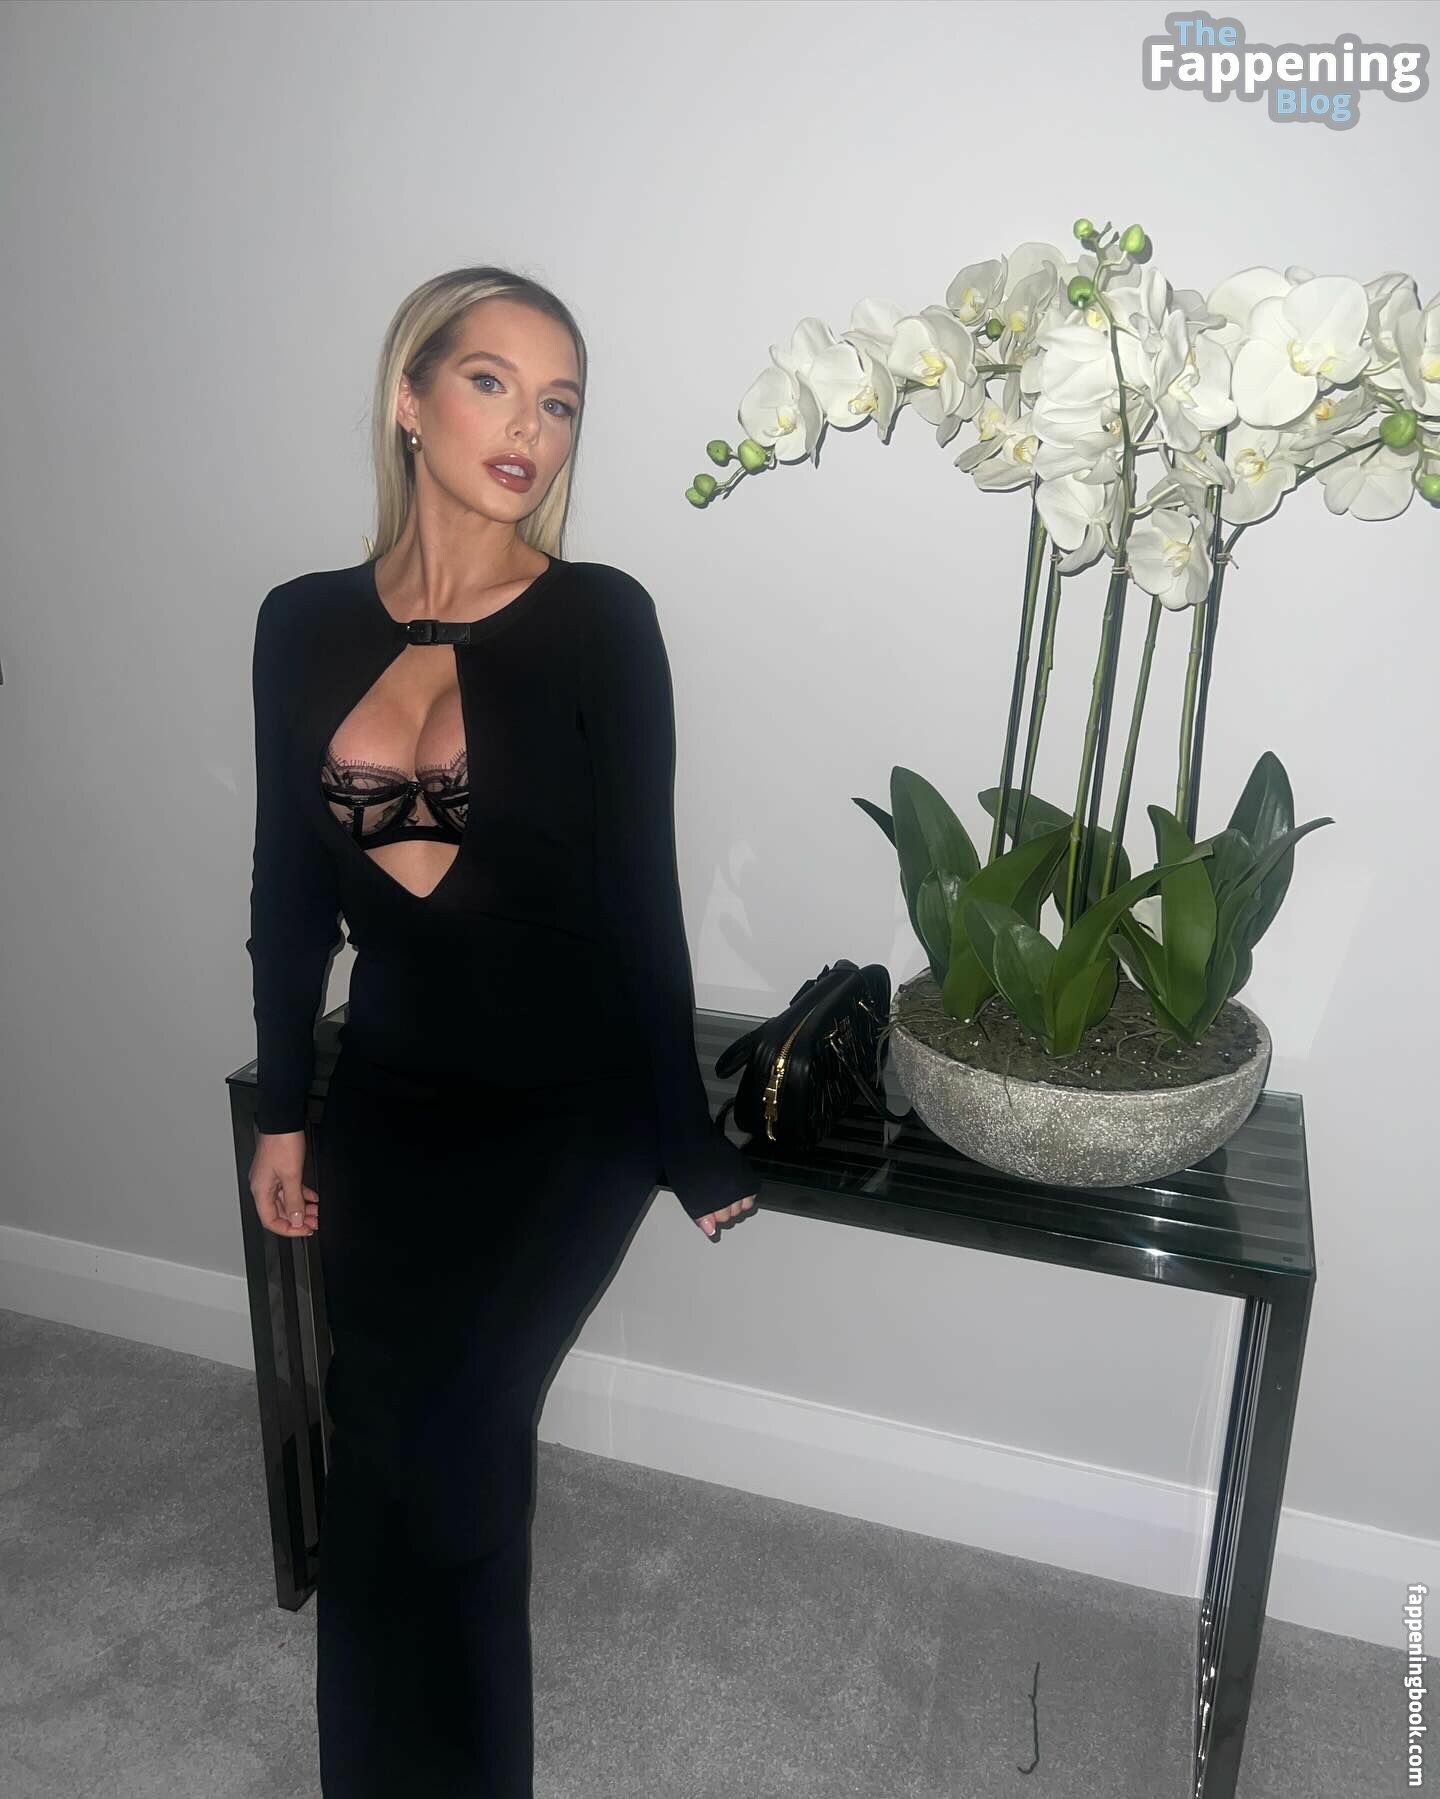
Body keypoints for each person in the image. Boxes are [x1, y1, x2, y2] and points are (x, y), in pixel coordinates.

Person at [244, 266, 758, 1797]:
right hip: (391, 1100)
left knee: (459, 1472)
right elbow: (289, 888)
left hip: (562, 1117)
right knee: (380, 1461)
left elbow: (638, 898)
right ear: (411, 400)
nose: (529, 426)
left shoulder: (599, 622)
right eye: (491, 383)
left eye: (560, 402)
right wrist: (286, 1111)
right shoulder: (299, 624)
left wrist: (680, 1137)